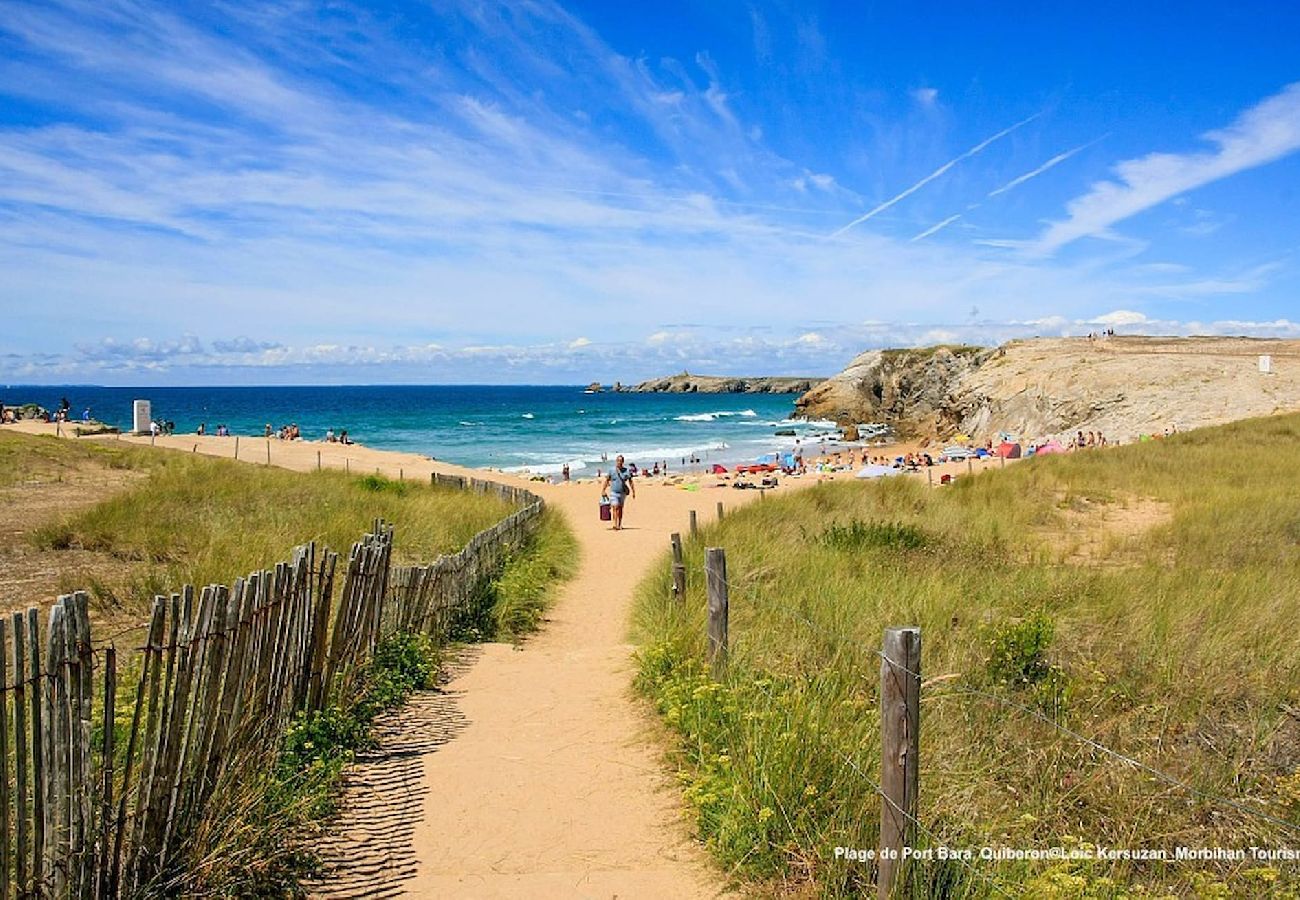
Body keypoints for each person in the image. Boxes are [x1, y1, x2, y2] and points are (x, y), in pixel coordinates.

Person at [600, 454, 636, 531]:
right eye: (618, 461)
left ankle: (619, 524)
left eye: (621, 461)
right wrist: (603, 490)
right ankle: (615, 524)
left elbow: (631, 482)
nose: (619, 462)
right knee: (615, 507)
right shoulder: (611, 470)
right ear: (616, 461)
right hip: (613, 492)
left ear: (623, 462)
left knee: (620, 509)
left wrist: (633, 491)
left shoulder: (626, 471)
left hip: (622, 493)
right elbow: (607, 480)